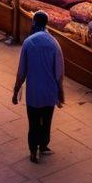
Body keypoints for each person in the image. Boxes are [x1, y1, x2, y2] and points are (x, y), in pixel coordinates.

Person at [12, 10, 65, 163]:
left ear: (34, 22)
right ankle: (43, 146)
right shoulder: (54, 43)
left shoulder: (29, 42)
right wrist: (60, 91)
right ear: (46, 23)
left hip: (33, 93)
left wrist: (16, 91)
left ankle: (33, 151)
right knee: (46, 121)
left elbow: (21, 71)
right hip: (49, 92)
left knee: (33, 123)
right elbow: (59, 71)